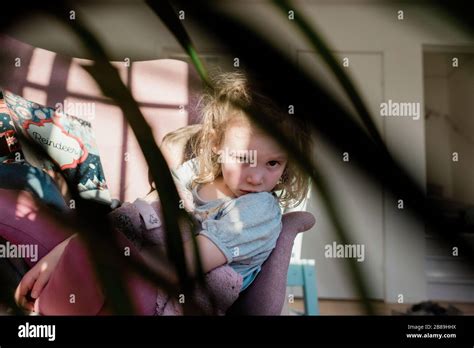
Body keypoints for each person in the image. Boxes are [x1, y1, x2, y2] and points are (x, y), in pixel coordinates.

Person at [15, 70, 313, 312]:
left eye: (273, 163)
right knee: (23, 210)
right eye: (242, 158)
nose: (258, 177)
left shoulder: (259, 210)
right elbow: (134, 216)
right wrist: (58, 255)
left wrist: (94, 253)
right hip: (133, 270)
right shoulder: (194, 174)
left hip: (168, 300)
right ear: (217, 145)